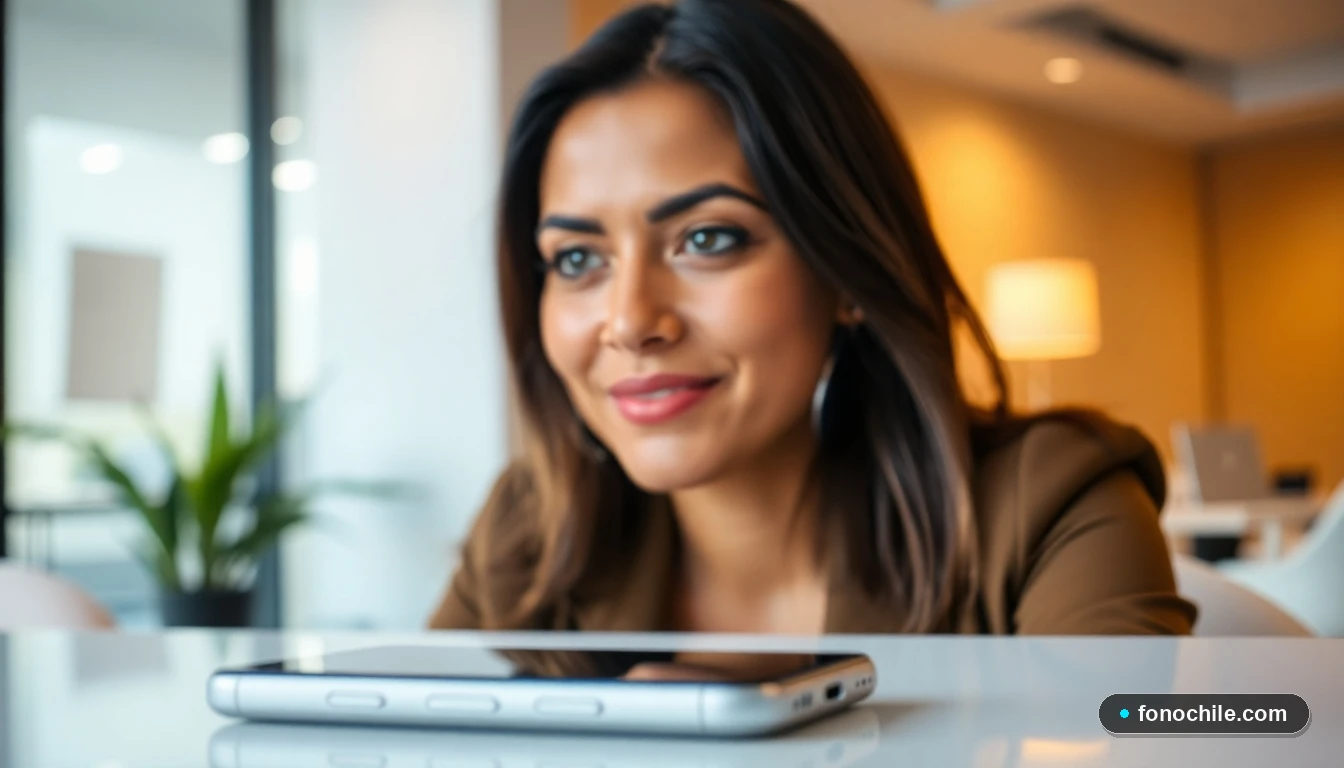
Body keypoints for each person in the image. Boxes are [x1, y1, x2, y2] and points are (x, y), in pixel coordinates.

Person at [430, 0, 1195, 635]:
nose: (629, 321)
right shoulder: (526, 539)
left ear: (845, 269)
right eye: (576, 260)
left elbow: (1143, 727)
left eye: (707, 240)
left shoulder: (1048, 506)